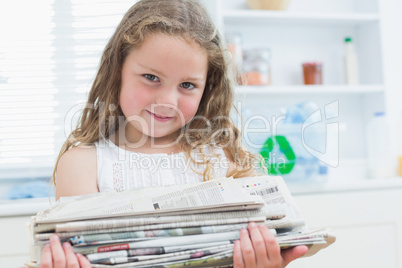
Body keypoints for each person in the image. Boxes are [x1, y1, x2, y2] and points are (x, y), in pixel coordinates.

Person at [39, 0, 308, 267]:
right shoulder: (83, 165)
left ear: (207, 88)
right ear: (118, 69)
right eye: (151, 77)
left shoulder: (225, 158)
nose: (167, 100)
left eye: (187, 84)